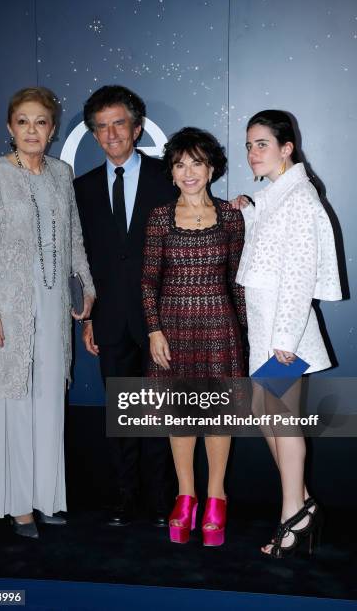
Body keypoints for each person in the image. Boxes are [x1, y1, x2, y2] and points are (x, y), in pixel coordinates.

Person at [0, 87, 95, 539]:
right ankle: (19, 505)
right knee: (13, 402)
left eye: (40, 121)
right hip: (9, 306)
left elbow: (76, 238)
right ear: (10, 127)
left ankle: (47, 498)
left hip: (54, 305)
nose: (31, 130)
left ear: (53, 129)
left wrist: (87, 289)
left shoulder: (61, 173)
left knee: (48, 403)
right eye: (22, 121)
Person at [232, 109, 342, 557]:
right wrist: (250, 211)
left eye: (262, 144)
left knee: (281, 418)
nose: (253, 153)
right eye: (249, 145)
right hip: (269, 330)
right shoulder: (280, 193)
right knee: (266, 415)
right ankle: (304, 504)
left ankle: (292, 515)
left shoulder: (299, 197)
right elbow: (270, 248)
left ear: (286, 148)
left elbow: (297, 274)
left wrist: (284, 340)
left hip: (285, 334)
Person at [74, 85, 177, 527]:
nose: (111, 133)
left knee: (158, 409)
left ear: (136, 127)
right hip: (110, 316)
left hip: (161, 317)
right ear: (94, 135)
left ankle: (160, 501)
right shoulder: (80, 188)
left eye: (118, 123)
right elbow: (81, 257)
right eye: (101, 127)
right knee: (122, 413)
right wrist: (89, 314)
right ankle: (123, 498)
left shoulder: (168, 177)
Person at [141, 127, 247, 545]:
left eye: (196, 163)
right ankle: (186, 496)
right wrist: (153, 329)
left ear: (211, 168)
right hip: (172, 331)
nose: (188, 172)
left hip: (220, 328)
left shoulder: (232, 216)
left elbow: (239, 282)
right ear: (171, 172)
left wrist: (244, 335)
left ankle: (217, 497)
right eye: (180, 164)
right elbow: (148, 281)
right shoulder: (160, 218)